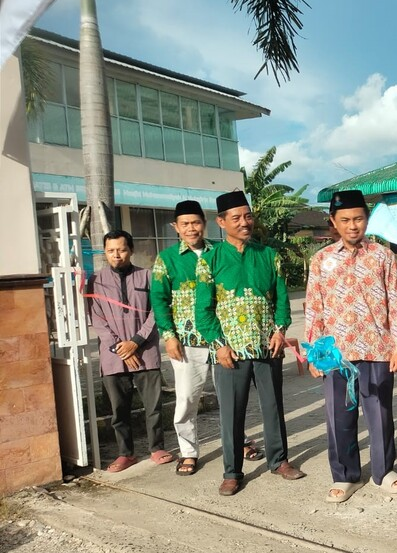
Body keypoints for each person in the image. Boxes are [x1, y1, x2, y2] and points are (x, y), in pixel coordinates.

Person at [195, 191, 305, 496]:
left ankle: (279, 461)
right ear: (221, 222)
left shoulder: (268, 255)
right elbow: (203, 310)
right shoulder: (209, 260)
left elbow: (281, 299)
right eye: (236, 218)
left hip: (267, 347)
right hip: (229, 352)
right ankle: (232, 472)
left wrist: (280, 331)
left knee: (273, 406)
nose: (244, 222)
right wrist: (218, 345)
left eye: (248, 216)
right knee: (231, 413)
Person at [305, 189, 397, 503]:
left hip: (377, 349)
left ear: (367, 219)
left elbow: (396, 301)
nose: (353, 226)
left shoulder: (383, 256)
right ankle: (345, 475)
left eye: (359, 219)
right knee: (339, 416)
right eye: (345, 220)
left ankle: (384, 471)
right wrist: (314, 354)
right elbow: (314, 308)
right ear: (333, 221)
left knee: (380, 413)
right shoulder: (321, 260)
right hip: (335, 354)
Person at [151, 200, 262, 476]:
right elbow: (159, 300)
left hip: (225, 340)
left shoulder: (220, 251)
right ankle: (188, 451)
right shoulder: (167, 259)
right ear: (175, 227)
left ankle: (238, 441)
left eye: (196, 222)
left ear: (205, 223)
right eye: (185, 224)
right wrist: (169, 336)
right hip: (188, 341)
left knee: (231, 397)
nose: (192, 229)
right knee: (187, 398)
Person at [87, 230, 172, 473]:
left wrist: (135, 342)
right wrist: (120, 348)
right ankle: (126, 453)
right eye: (111, 250)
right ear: (105, 252)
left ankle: (157, 448)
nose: (117, 255)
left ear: (131, 250)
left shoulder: (147, 276)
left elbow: (157, 311)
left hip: (145, 352)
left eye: (122, 249)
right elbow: (96, 318)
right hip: (113, 356)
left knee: (153, 406)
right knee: (118, 410)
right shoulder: (96, 281)